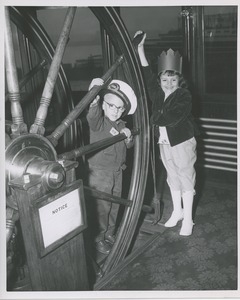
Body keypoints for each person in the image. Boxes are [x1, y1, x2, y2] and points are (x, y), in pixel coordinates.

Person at [134, 30, 199, 236]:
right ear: (160, 81)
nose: (169, 85)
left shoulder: (184, 95)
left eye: (173, 81)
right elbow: (146, 73)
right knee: (172, 176)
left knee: (186, 176)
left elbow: (173, 117)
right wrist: (140, 49)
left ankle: (188, 219)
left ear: (179, 81)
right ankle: (177, 212)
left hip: (182, 141)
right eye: (164, 81)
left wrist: (152, 118)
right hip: (164, 142)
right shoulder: (157, 93)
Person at [86, 78, 137, 254]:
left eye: (120, 107)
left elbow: (128, 147)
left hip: (117, 171)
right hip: (100, 172)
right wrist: (93, 96)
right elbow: (92, 114)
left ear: (124, 110)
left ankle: (109, 233)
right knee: (102, 207)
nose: (115, 110)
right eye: (111, 105)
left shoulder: (122, 125)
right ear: (103, 105)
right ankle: (98, 238)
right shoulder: (98, 122)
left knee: (115, 204)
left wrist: (129, 138)